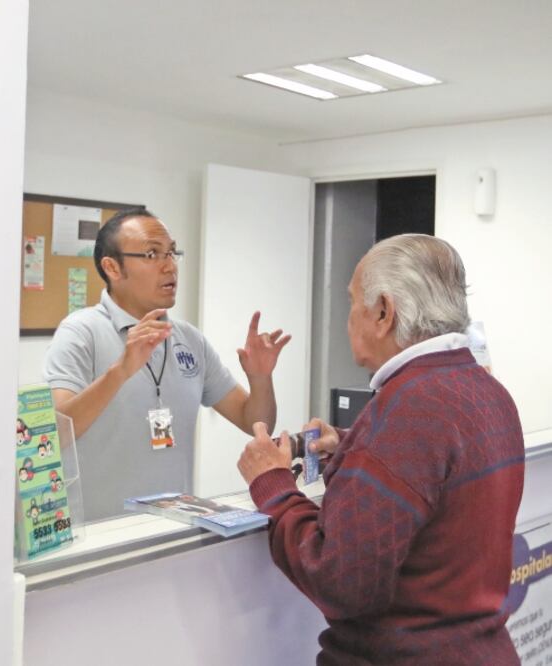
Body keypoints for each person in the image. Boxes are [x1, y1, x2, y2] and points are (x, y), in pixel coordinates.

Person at [237, 234, 524, 665]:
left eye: (353, 302)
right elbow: (438, 475)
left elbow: (340, 580)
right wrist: (353, 446)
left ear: (384, 312)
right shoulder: (486, 390)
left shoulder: (409, 407)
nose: (349, 318)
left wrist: (274, 486)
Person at [44, 208, 290, 520]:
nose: (169, 266)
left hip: (172, 529)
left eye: (172, 253)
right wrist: (120, 372)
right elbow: (56, 433)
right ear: (112, 267)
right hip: (101, 533)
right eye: (152, 254)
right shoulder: (80, 332)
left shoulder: (189, 339)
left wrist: (260, 378)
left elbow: (256, 422)